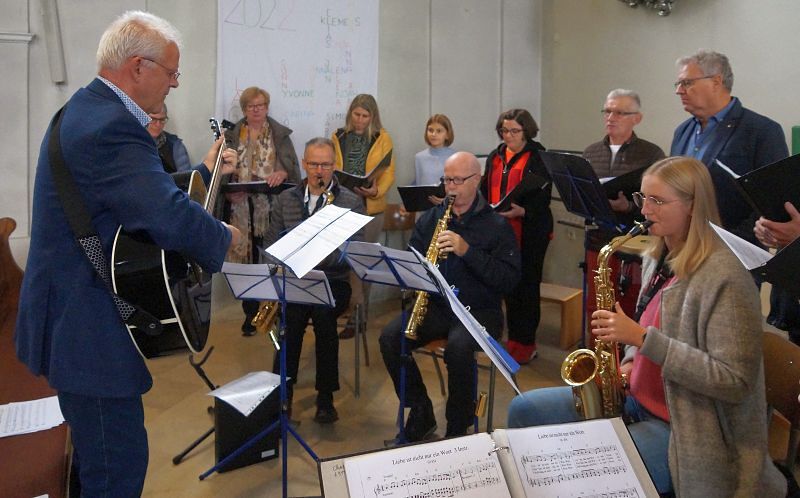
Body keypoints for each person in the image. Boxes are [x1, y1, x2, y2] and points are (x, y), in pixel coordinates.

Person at [14, 11, 241, 497]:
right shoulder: (111, 127)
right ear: (139, 66)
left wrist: (198, 183)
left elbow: (133, 195)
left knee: (96, 462)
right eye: (172, 72)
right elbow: (165, 214)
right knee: (115, 471)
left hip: (70, 317)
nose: (175, 84)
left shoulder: (85, 108)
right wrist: (224, 237)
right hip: (87, 330)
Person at [507, 157, 786, 496]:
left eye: (658, 201)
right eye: (643, 198)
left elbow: (734, 381)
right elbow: (644, 330)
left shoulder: (726, 277)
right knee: (524, 409)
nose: (644, 210)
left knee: (586, 474)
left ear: (692, 206)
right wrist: (628, 363)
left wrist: (641, 338)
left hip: (687, 426)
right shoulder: (658, 257)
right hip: (636, 398)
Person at [380, 152, 520, 441]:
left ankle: (458, 424)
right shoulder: (432, 219)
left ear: (476, 179)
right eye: (447, 180)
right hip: (439, 306)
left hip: (479, 310)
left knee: (458, 349)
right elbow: (411, 259)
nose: (450, 187)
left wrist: (467, 251)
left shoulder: (496, 225)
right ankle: (421, 410)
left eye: (457, 180)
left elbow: (508, 279)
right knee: (390, 337)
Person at [670, 49, 794, 347]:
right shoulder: (682, 131)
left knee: (727, 346)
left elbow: (772, 203)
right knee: (683, 341)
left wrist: (724, 244)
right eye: (678, 84)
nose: (679, 90)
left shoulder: (761, 131)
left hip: (734, 259)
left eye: (686, 82)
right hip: (684, 253)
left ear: (716, 81)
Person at [265, 137, 364, 424]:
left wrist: (316, 258)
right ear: (304, 164)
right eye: (314, 164)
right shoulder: (286, 199)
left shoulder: (350, 202)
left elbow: (354, 252)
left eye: (326, 165)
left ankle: (325, 397)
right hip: (295, 280)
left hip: (334, 280)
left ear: (335, 166)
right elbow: (271, 245)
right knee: (292, 319)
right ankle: (282, 396)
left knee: (323, 315)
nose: (320, 171)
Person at [220, 86, 301, 336]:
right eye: (251, 106)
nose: (256, 110)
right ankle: (250, 313)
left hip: (271, 207)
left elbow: (292, 169)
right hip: (240, 209)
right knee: (246, 263)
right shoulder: (232, 136)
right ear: (244, 109)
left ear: (267, 107)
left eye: (261, 105)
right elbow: (221, 171)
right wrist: (229, 190)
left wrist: (282, 173)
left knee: (271, 258)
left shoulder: (279, 135)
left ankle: (273, 310)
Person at [481, 109, 551, 364]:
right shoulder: (496, 155)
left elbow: (543, 196)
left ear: (526, 131)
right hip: (499, 229)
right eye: (504, 130)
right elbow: (486, 188)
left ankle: (525, 343)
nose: (508, 135)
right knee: (503, 284)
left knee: (526, 288)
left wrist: (524, 210)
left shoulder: (538, 156)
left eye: (514, 131)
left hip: (529, 229)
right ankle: (505, 338)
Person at [332, 94, 395, 338]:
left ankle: (359, 316)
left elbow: (388, 172)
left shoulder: (382, 138)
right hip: (342, 205)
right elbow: (333, 166)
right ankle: (346, 308)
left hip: (370, 206)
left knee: (362, 263)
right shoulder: (339, 136)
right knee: (342, 262)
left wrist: (376, 190)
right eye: (356, 115)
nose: (359, 120)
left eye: (365, 116)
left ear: (372, 117)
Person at [583, 89, 664, 215]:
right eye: (607, 111)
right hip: (596, 224)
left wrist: (628, 207)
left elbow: (660, 200)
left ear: (637, 118)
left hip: (634, 225)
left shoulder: (652, 154)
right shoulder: (590, 152)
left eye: (619, 113)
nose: (610, 118)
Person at [413, 114, 456, 206]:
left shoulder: (455, 157)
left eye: (439, 131)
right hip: (424, 208)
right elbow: (418, 183)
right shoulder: (419, 157)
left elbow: (460, 186)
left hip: (449, 208)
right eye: (430, 130)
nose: (433, 134)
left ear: (447, 135)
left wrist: (447, 200)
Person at [146, 102, 192, 173]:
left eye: (162, 120)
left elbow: (186, 176)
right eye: (153, 119)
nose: (158, 125)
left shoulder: (175, 145)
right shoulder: (134, 141)